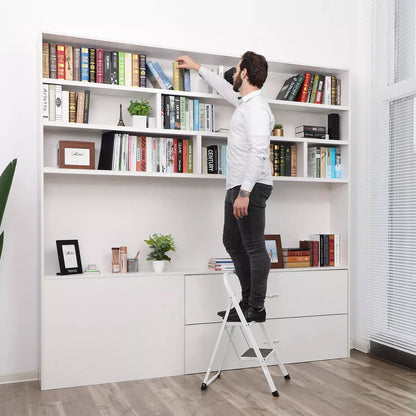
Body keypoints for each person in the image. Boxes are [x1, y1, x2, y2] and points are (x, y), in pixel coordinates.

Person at [176, 52, 274, 323]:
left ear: (245, 73)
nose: (232, 74)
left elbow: (259, 152)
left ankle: (256, 306)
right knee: (232, 241)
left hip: (250, 188)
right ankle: (246, 302)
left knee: (254, 246)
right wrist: (197, 67)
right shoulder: (244, 103)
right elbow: (222, 87)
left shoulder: (256, 109)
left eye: (236, 69)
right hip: (237, 186)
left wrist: (245, 192)